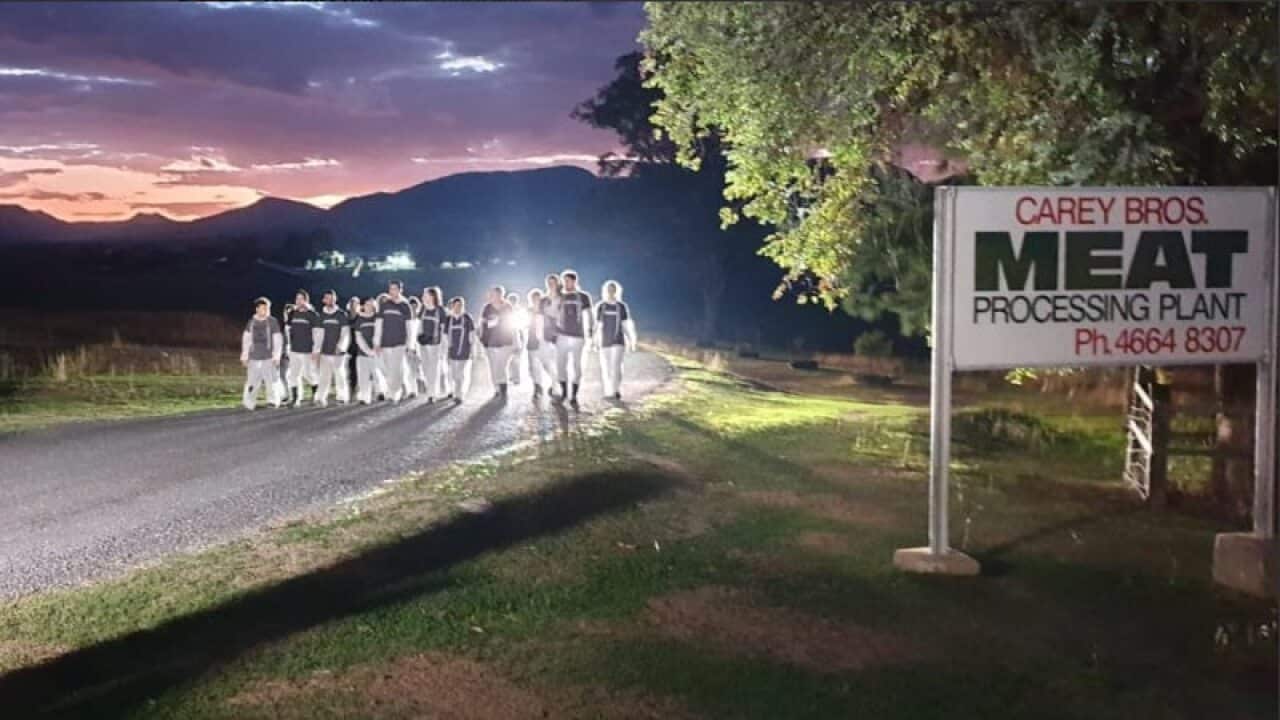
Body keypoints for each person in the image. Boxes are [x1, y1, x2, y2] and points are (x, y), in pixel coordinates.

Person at [553, 269, 594, 406]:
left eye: (568, 280)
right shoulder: (560, 296)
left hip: (578, 336)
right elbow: (553, 313)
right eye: (564, 280)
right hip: (562, 335)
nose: (566, 283)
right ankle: (564, 392)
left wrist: (590, 328)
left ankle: (574, 395)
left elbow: (589, 314)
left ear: (574, 281)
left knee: (577, 366)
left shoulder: (583, 296)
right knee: (560, 365)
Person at [594, 280, 637, 400]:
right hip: (605, 341)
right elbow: (597, 325)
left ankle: (615, 390)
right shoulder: (601, 306)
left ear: (616, 291)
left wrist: (631, 339)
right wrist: (594, 340)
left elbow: (626, 324)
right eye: (609, 289)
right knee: (606, 367)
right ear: (605, 291)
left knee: (616, 366)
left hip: (618, 340)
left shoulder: (621, 306)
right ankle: (609, 391)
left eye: (613, 289)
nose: (611, 291)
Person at [241, 297, 284, 410]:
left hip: (269, 357)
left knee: (271, 380)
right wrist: (244, 356)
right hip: (254, 356)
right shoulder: (251, 323)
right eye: (263, 308)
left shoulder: (273, 322)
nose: (265, 310)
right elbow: (246, 340)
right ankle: (249, 402)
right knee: (252, 381)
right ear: (257, 309)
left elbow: (278, 340)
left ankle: (273, 401)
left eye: (267, 308)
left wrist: (276, 356)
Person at [374, 280, 413, 403]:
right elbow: (379, 324)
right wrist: (377, 342)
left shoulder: (405, 306)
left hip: (399, 343)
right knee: (388, 369)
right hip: (385, 343)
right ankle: (395, 389)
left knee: (396, 369)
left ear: (400, 290)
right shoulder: (385, 305)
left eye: (395, 289)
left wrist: (410, 344)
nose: (392, 291)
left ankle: (393, 394)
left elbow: (410, 327)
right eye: (390, 289)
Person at [284, 289, 322, 408]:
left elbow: (318, 333)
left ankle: (317, 395)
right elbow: (288, 331)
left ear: (306, 300)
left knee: (308, 374)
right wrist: (288, 346)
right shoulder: (292, 313)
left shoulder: (312, 314)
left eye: (301, 299)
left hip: (307, 350)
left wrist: (316, 350)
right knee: (293, 375)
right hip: (295, 349)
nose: (298, 301)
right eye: (297, 299)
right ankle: (295, 398)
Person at [314, 289, 351, 407]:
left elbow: (345, 333)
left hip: (338, 353)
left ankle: (342, 397)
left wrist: (340, 347)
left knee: (340, 375)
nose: (329, 300)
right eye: (327, 298)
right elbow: (319, 335)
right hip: (325, 352)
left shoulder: (341, 314)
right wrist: (316, 351)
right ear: (324, 300)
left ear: (335, 299)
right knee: (324, 376)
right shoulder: (322, 316)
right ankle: (320, 398)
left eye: (331, 297)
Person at [479, 286, 515, 397]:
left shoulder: (508, 306)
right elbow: (483, 323)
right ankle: (497, 388)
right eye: (492, 294)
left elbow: (512, 323)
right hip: (490, 342)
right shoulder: (487, 308)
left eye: (495, 294)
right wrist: (482, 338)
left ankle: (503, 386)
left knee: (501, 365)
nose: (493, 296)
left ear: (501, 295)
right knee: (493, 366)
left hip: (505, 341)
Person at [351, 297, 387, 404]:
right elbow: (358, 337)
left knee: (377, 374)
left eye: (372, 304)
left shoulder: (377, 318)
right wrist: (367, 351)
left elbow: (382, 333)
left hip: (378, 352)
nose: (369, 306)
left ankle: (381, 392)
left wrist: (377, 348)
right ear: (362, 306)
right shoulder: (359, 319)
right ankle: (364, 397)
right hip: (362, 353)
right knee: (363, 376)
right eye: (367, 304)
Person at [418, 286, 449, 403]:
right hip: (423, 343)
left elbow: (443, 329)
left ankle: (432, 394)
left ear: (433, 296)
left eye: (425, 295)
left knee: (433, 369)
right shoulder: (422, 309)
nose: (423, 297)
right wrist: (419, 337)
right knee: (425, 368)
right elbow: (419, 324)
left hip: (435, 344)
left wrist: (443, 346)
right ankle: (430, 388)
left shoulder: (440, 310)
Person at [444, 296, 477, 404]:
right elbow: (445, 336)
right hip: (452, 351)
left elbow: (472, 335)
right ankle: (454, 391)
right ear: (452, 306)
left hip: (465, 350)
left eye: (460, 305)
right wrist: (446, 350)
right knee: (454, 374)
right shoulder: (449, 319)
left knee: (462, 374)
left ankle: (460, 395)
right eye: (456, 305)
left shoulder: (467, 318)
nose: (458, 307)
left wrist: (473, 350)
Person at [526, 288, 554, 397]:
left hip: (545, 342)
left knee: (547, 365)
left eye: (537, 298)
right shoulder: (528, 311)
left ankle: (556, 383)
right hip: (532, 342)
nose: (535, 300)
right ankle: (537, 386)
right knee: (533, 366)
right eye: (533, 298)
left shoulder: (546, 311)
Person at [505, 291, 526, 387]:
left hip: (519, 336)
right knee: (509, 358)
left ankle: (516, 377)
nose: (512, 302)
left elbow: (523, 324)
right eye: (511, 300)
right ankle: (512, 376)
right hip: (508, 336)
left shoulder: (519, 311)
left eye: (514, 300)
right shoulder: (505, 310)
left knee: (516, 358)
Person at [405, 295, 423, 399]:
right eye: (411, 306)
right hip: (407, 347)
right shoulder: (405, 320)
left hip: (420, 347)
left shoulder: (421, 320)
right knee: (409, 369)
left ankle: (424, 383)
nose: (413, 308)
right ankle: (412, 390)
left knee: (420, 368)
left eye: (415, 306)